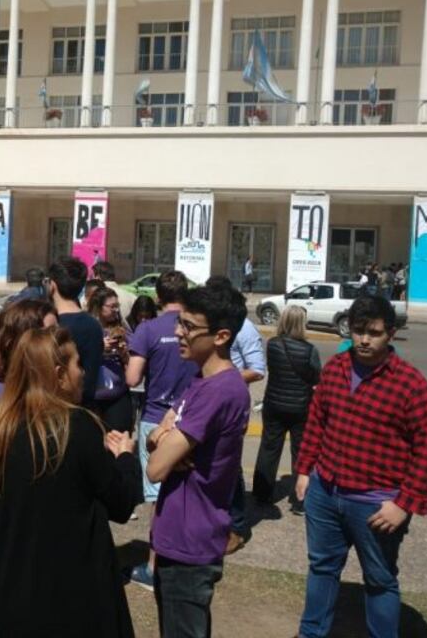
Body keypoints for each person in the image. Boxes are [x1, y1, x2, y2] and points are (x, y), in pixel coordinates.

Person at [294, 295, 427, 638]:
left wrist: (404, 504)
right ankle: (311, 633)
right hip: (326, 491)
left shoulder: (410, 383)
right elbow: (317, 420)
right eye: (358, 330)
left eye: (373, 333)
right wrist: (305, 470)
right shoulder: (336, 367)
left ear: (390, 333)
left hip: (376, 504)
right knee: (322, 568)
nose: (363, 340)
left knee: (379, 580)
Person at [0, 327, 140, 637]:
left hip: (9, 593)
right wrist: (124, 458)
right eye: (77, 364)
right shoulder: (77, 427)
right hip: (71, 598)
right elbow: (121, 504)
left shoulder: (1, 426)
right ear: (59, 374)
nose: (83, 372)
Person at [145, 284, 251, 638]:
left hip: (191, 543)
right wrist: (163, 440)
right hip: (176, 533)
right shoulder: (199, 379)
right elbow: (154, 437)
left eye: (189, 326)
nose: (178, 332)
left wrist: (166, 444)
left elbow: (155, 468)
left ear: (221, 336)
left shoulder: (220, 390)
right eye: (180, 322)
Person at [0, 299, 58, 638]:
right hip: (0, 536)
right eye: (48, 333)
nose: (57, 341)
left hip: (42, 536)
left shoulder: (51, 395)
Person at [124, 271, 200, 590]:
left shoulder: (148, 329)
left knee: (159, 498)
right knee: (188, 492)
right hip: (193, 415)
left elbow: (132, 380)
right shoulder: (196, 327)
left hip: (156, 417)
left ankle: (155, 567)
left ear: (158, 297)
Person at [208, 275, 264, 554]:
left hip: (232, 401)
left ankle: (237, 526)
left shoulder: (244, 328)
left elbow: (257, 368)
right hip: (208, 400)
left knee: (231, 463)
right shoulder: (212, 325)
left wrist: (224, 378)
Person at [252, 305, 320, 515]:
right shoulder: (310, 350)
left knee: (269, 448)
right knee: (301, 452)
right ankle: (300, 500)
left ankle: (262, 494)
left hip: (274, 404)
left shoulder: (273, 344)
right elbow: (315, 378)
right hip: (301, 407)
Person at [47, 256, 103, 407]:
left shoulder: (49, 323)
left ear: (52, 285)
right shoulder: (94, 325)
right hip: (86, 407)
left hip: (53, 408)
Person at [86, 287, 134, 433]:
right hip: (93, 397)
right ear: (99, 307)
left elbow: (131, 363)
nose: (116, 310)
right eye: (112, 306)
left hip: (118, 394)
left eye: (117, 306)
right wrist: (99, 348)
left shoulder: (122, 329)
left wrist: (123, 352)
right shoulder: (88, 328)